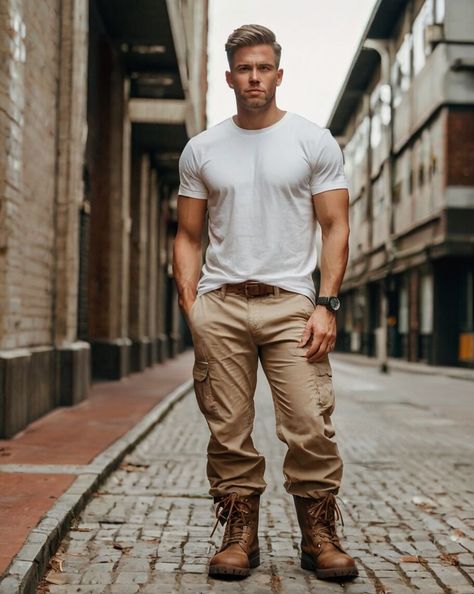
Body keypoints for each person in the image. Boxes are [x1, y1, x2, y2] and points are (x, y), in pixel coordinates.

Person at [172, 24, 358, 582]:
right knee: (227, 427)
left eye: (264, 68)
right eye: (245, 69)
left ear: (279, 73)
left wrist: (327, 303)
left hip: (291, 306)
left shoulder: (312, 140)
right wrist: (192, 306)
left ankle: (319, 537)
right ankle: (239, 536)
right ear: (230, 76)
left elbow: (336, 225)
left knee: (309, 422)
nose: (255, 77)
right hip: (221, 305)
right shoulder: (202, 148)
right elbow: (186, 235)